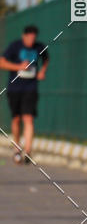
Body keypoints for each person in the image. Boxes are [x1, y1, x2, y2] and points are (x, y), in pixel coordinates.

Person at [0, 24, 49, 164]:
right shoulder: (15, 46)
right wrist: (18, 67)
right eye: (29, 38)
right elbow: (2, 63)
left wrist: (42, 71)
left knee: (28, 118)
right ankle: (17, 148)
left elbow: (46, 59)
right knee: (16, 119)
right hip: (14, 88)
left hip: (30, 88)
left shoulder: (39, 47)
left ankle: (28, 151)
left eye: (34, 38)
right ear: (24, 36)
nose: (31, 41)